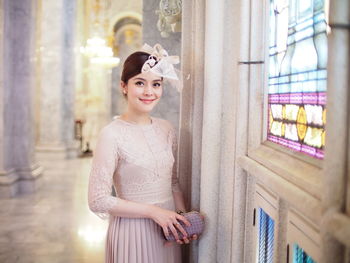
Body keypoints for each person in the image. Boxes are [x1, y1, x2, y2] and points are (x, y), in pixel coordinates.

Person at [88, 44, 196, 263]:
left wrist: (182, 222)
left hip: (167, 231)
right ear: (124, 86)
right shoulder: (111, 135)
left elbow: (173, 182)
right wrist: (153, 212)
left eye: (156, 84)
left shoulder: (166, 128)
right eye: (140, 83)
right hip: (132, 231)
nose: (149, 92)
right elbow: (97, 200)